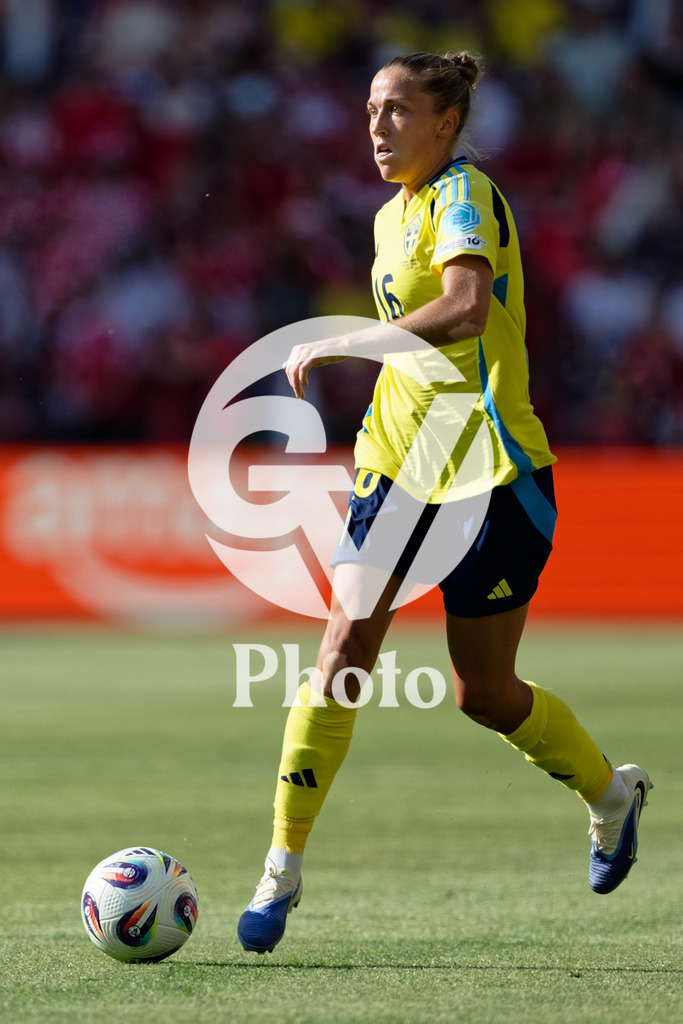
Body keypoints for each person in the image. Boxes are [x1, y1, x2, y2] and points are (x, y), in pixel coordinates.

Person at [237, 50, 652, 955]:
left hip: (494, 475)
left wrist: (355, 337)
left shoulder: (467, 196)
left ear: (445, 123)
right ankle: (280, 870)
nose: (377, 128)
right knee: (343, 648)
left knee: (484, 694)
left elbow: (464, 308)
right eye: (370, 111)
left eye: (397, 111)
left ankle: (610, 797)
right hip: (397, 465)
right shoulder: (390, 218)